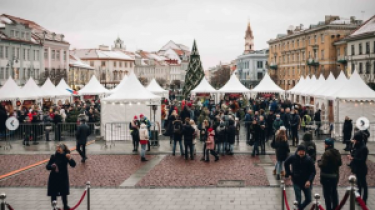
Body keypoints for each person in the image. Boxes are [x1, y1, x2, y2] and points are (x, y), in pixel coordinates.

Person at [284, 145, 316, 210]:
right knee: (298, 199)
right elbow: (286, 163)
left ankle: (300, 208)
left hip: (305, 182)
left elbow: (313, 171)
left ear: (305, 152)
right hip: (296, 181)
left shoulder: (309, 159)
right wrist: (289, 173)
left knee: (309, 199)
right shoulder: (293, 157)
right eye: (300, 151)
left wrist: (309, 180)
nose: (301, 153)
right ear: (297, 151)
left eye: (303, 151)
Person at [46, 143, 76, 210]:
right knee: (54, 193)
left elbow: (73, 164)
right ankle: (54, 206)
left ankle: (65, 205)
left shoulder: (66, 156)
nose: (57, 149)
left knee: (64, 193)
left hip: (63, 177)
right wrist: (52, 166)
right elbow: (47, 166)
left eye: (59, 148)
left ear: (63, 149)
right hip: (54, 178)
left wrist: (70, 158)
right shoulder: (54, 156)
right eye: (57, 148)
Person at [318, 138, 342, 210]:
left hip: (326, 177)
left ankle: (329, 208)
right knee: (334, 193)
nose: (324, 145)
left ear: (328, 145)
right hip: (335, 176)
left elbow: (323, 165)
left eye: (325, 144)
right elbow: (340, 163)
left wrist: (319, 162)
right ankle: (336, 207)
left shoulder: (327, 153)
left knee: (327, 195)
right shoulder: (337, 152)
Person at [348, 132, 369, 204]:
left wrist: (353, 159)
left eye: (355, 140)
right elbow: (354, 153)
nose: (354, 141)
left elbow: (362, 160)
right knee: (358, 184)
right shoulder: (357, 146)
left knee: (364, 185)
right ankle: (358, 198)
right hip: (357, 168)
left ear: (358, 140)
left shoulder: (364, 148)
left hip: (362, 169)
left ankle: (364, 199)